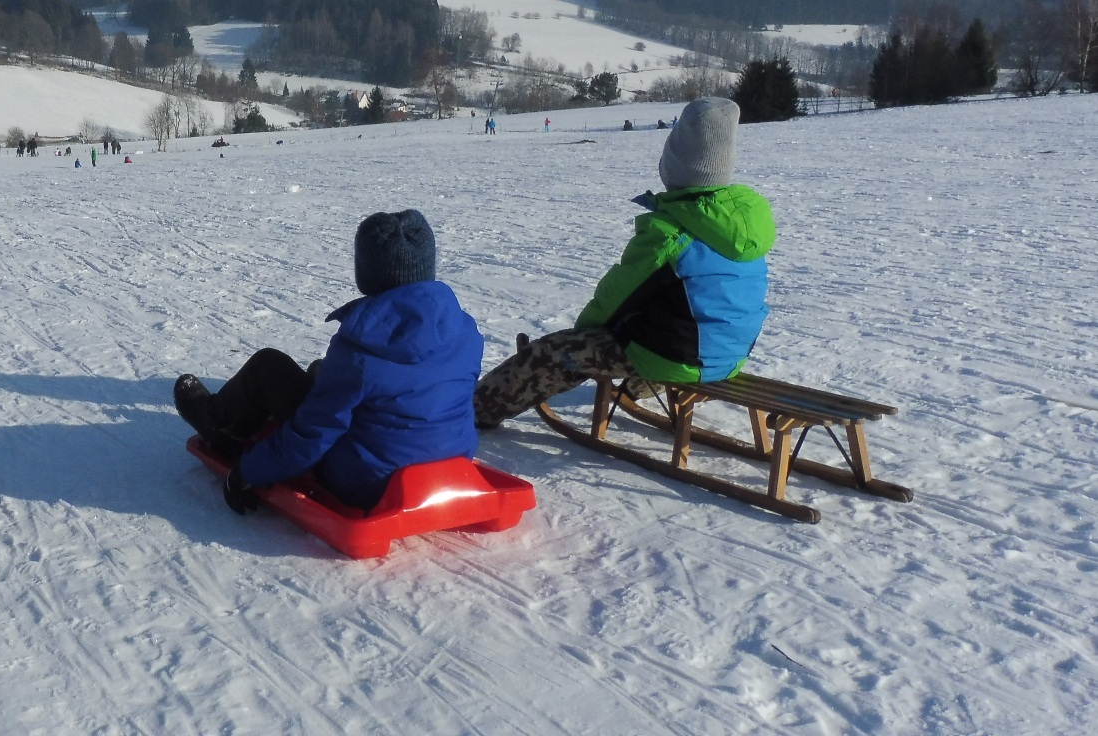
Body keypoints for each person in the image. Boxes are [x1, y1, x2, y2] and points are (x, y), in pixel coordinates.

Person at [472, 97, 775, 428]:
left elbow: (617, 296)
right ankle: (643, 382)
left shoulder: (670, 233)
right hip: (729, 357)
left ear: (674, 168)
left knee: (555, 353)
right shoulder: (746, 223)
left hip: (676, 357)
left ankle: (478, 408)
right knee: (678, 313)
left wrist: (581, 334)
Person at [173, 210, 483, 515]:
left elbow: (312, 435)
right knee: (330, 376)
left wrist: (247, 472)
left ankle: (217, 424)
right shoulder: (466, 329)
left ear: (367, 272)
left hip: (365, 480)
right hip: (453, 457)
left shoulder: (360, 348)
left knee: (269, 366)